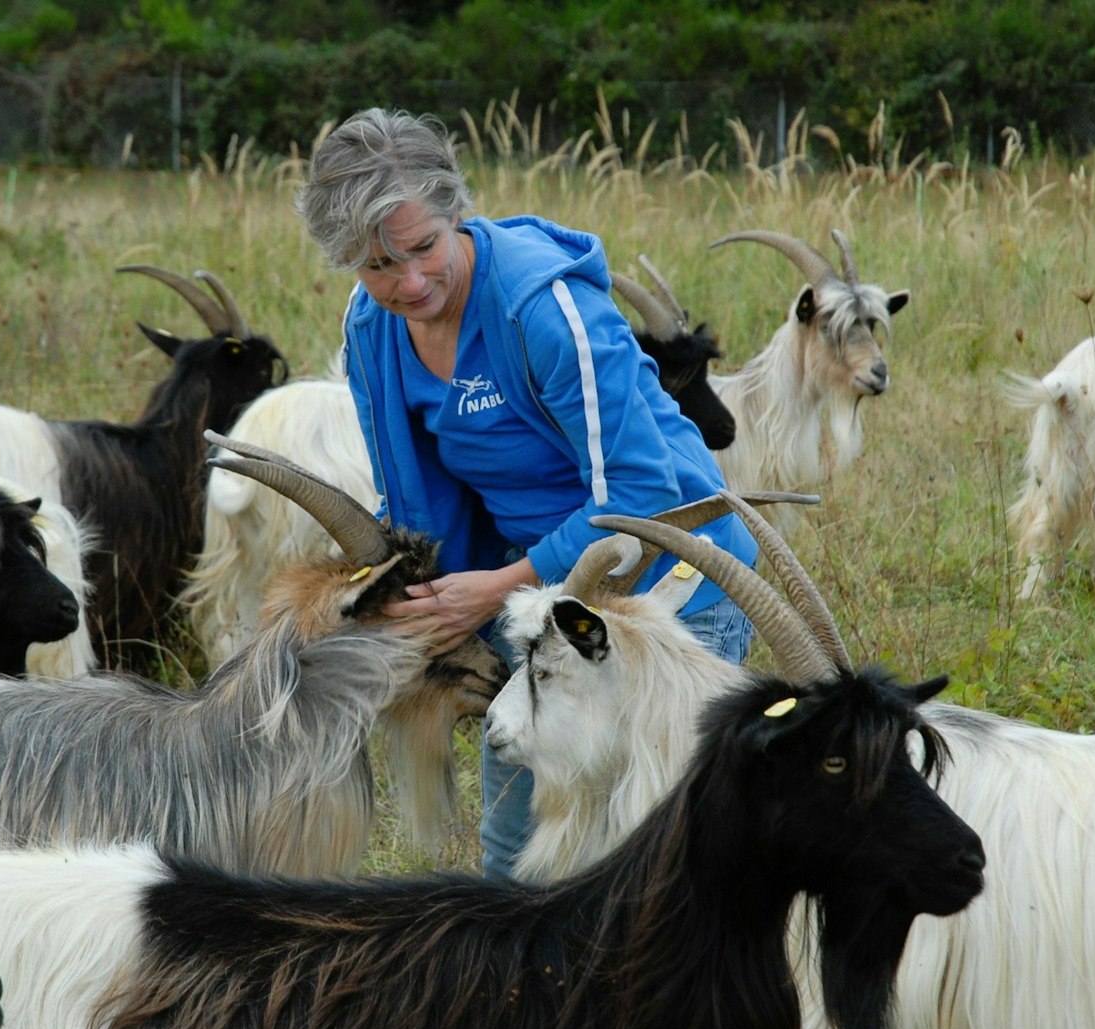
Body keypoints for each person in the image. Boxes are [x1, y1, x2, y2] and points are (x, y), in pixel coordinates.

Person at [296, 108, 758, 879]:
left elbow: (646, 492)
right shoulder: (370, 328)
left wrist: (498, 589)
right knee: (519, 853)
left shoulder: (544, 310)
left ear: (455, 213)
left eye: (423, 249)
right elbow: (410, 502)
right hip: (535, 599)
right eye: (377, 266)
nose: (409, 283)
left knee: (661, 851)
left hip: (670, 587)